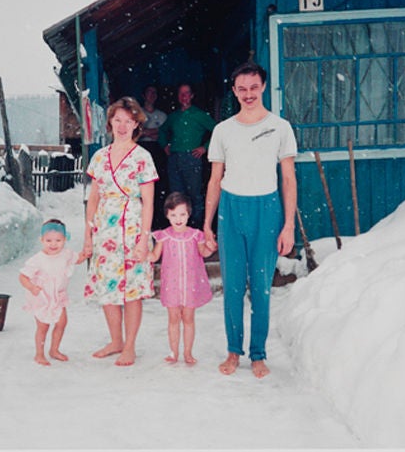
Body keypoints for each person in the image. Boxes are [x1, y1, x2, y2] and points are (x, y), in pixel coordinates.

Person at [204, 62, 297, 379]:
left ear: (263, 87)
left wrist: (288, 225)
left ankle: (258, 354)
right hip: (232, 210)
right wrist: (207, 223)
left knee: (261, 287)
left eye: (253, 88)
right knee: (232, 287)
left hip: (267, 210)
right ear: (234, 91)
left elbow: (288, 178)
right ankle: (233, 351)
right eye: (241, 89)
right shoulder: (223, 130)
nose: (248, 94)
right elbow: (215, 180)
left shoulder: (280, 127)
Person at [82, 96, 159, 367]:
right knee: (108, 286)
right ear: (110, 123)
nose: (123, 126)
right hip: (106, 228)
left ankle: (130, 346)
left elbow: (148, 201)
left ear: (136, 124)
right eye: (118, 120)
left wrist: (143, 239)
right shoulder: (99, 157)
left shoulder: (142, 157)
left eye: (129, 121)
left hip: (133, 226)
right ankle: (115, 340)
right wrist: (88, 236)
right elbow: (93, 198)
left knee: (132, 290)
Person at [148, 192, 215, 364]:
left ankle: (187, 353)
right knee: (173, 318)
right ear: (167, 215)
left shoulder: (195, 235)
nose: (178, 219)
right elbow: (154, 257)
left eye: (182, 214)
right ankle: (173, 352)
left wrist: (211, 246)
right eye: (173, 215)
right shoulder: (163, 236)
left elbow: (203, 253)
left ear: (189, 214)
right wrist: (142, 252)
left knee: (188, 318)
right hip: (172, 285)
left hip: (190, 285)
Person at [20, 219, 88, 366]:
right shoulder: (37, 260)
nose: (53, 244)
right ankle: (39, 354)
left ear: (65, 239)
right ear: (41, 240)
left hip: (58, 296)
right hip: (42, 298)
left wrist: (87, 252)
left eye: (58, 240)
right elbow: (23, 276)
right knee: (43, 326)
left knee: (62, 323)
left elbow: (79, 259)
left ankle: (54, 350)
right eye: (48, 240)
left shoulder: (66, 254)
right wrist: (31, 287)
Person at [158, 83, 216, 228]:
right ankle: (179, 227)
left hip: (192, 158)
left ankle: (196, 227)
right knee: (177, 194)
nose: (184, 97)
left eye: (187, 93)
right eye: (181, 94)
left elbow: (218, 130)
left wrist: (205, 147)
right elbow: (162, 131)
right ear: (178, 97)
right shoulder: (174, 116)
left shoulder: (199, 115)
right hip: (174, 158)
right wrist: (165, 145)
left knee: (194, 194)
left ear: (192, 96)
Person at [138, 85, 169, 230]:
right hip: (141, 149)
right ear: (143, 95)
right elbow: (137, 133)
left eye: (154, 92)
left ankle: (157, 222)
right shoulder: (138, 114)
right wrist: (151, 132)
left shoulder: (162, 115)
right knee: (141, 186)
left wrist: (146, 131)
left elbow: (162, 135)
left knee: (157, 185)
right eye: (149, 92)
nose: (152, 95)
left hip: (157, 151)